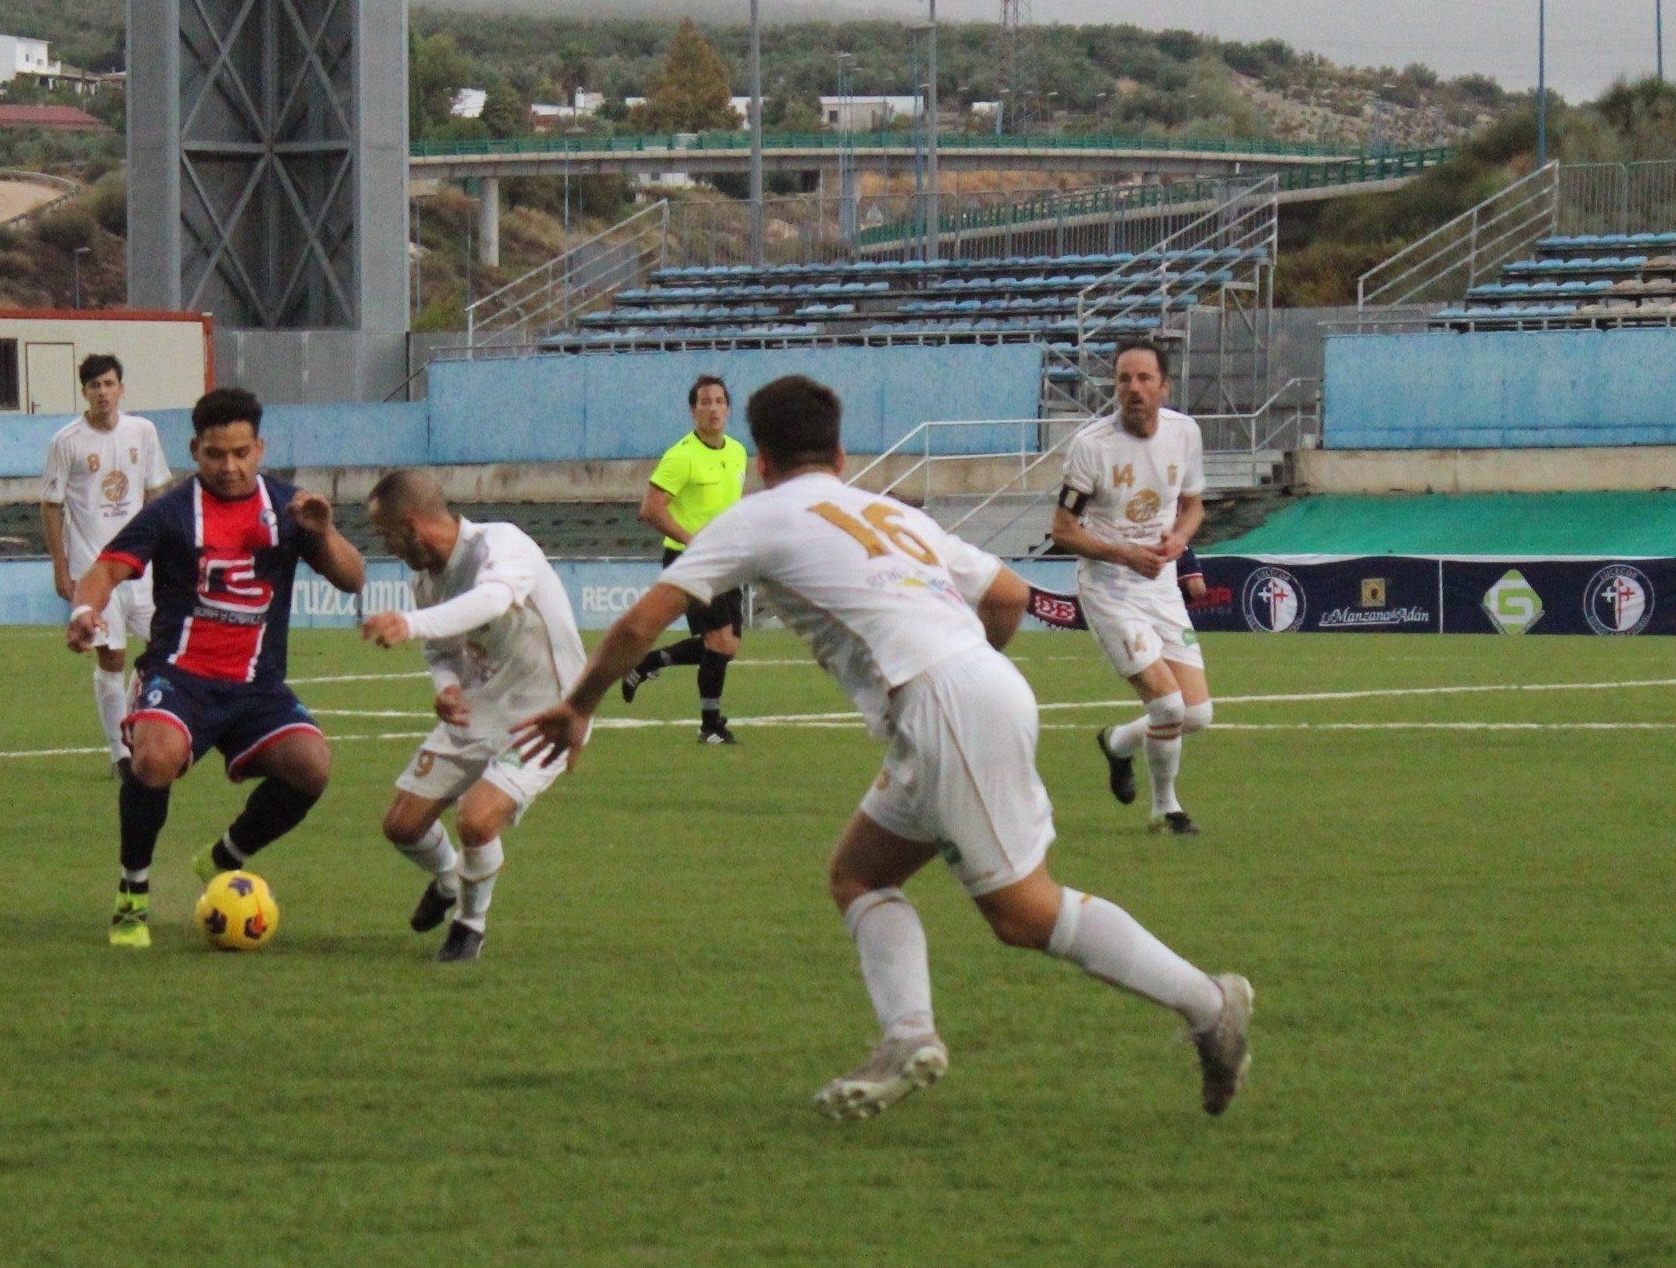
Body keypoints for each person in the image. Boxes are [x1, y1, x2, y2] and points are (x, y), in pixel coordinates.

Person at [516, 375, 1251, 1121]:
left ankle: (1207, 1004)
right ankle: (907, 1037)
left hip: (941, 702)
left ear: (759, 459)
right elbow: (1006, 595)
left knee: (1023, 912)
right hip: (965, 691)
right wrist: (973, 673)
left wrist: (578, 707)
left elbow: (641, 622)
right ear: (839, 451)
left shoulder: (756, 515)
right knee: (859, 874)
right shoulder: (886, 509)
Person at [66, 387, 369, 948]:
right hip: (179, 678)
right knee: (153, 758)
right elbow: (106, 568)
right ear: (194, 451)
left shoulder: (290, 509)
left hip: (257, 687)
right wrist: (87, 610)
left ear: (259, 447)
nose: (228, 466)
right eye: (214, 454)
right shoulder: (172, 512)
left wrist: (323, 532)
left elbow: (353, 579)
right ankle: (132, 895)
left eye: (239, 453)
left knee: (312, 765)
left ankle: (225, 857)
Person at [357, 468, 587, 964]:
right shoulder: (426, 583)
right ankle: (446, 879)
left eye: (387, 535)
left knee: (478, 820)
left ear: (413, 526)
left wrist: (409, 624)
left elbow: (493, 599)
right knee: (401, 826)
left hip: (545, 713)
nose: (388, 548)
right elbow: (442, 654)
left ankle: (469, 925)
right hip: (480, 709)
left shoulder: (499, 544)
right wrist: (447, 690)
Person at [1050, 340, 1215, 835]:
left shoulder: (1185, 433)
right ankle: (1166, 809)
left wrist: (1178, 541)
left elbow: (1193, 505)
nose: (1133, 389)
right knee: (1166, 705)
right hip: (1110, 587)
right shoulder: (1091, 446)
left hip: (1159, 583)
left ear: (1164, 386)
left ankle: (1119, 743)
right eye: (1124, 379)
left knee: (1198, 713)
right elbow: (1062, 530)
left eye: (1144, 379)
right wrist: (1126, 554)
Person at [41, 354, 173, 765]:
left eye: (109, 384)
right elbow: (50, 505)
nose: (103, 392)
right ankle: (120, 754)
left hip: (142, 567)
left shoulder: (143, 431)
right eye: (94, 385)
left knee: (168, 649)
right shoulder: (67, 441)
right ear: (84, 392)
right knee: (110, 657)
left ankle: (136, 706)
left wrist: (170, 552)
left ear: (121, 388)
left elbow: (158, 492)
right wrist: (61, 568)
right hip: (93, 569)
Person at [622, 373, 748, 744]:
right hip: (689, 561)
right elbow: (650, 509)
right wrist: (693, 541)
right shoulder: (681, 456)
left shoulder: (738, 452)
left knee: (727, 646)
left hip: (726, 561)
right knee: (719, 640)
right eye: (704, 402)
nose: (712, 408)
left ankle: (647, 663)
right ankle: (710, 726)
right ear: (693, 410)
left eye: (719, 401)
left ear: (728, 408)